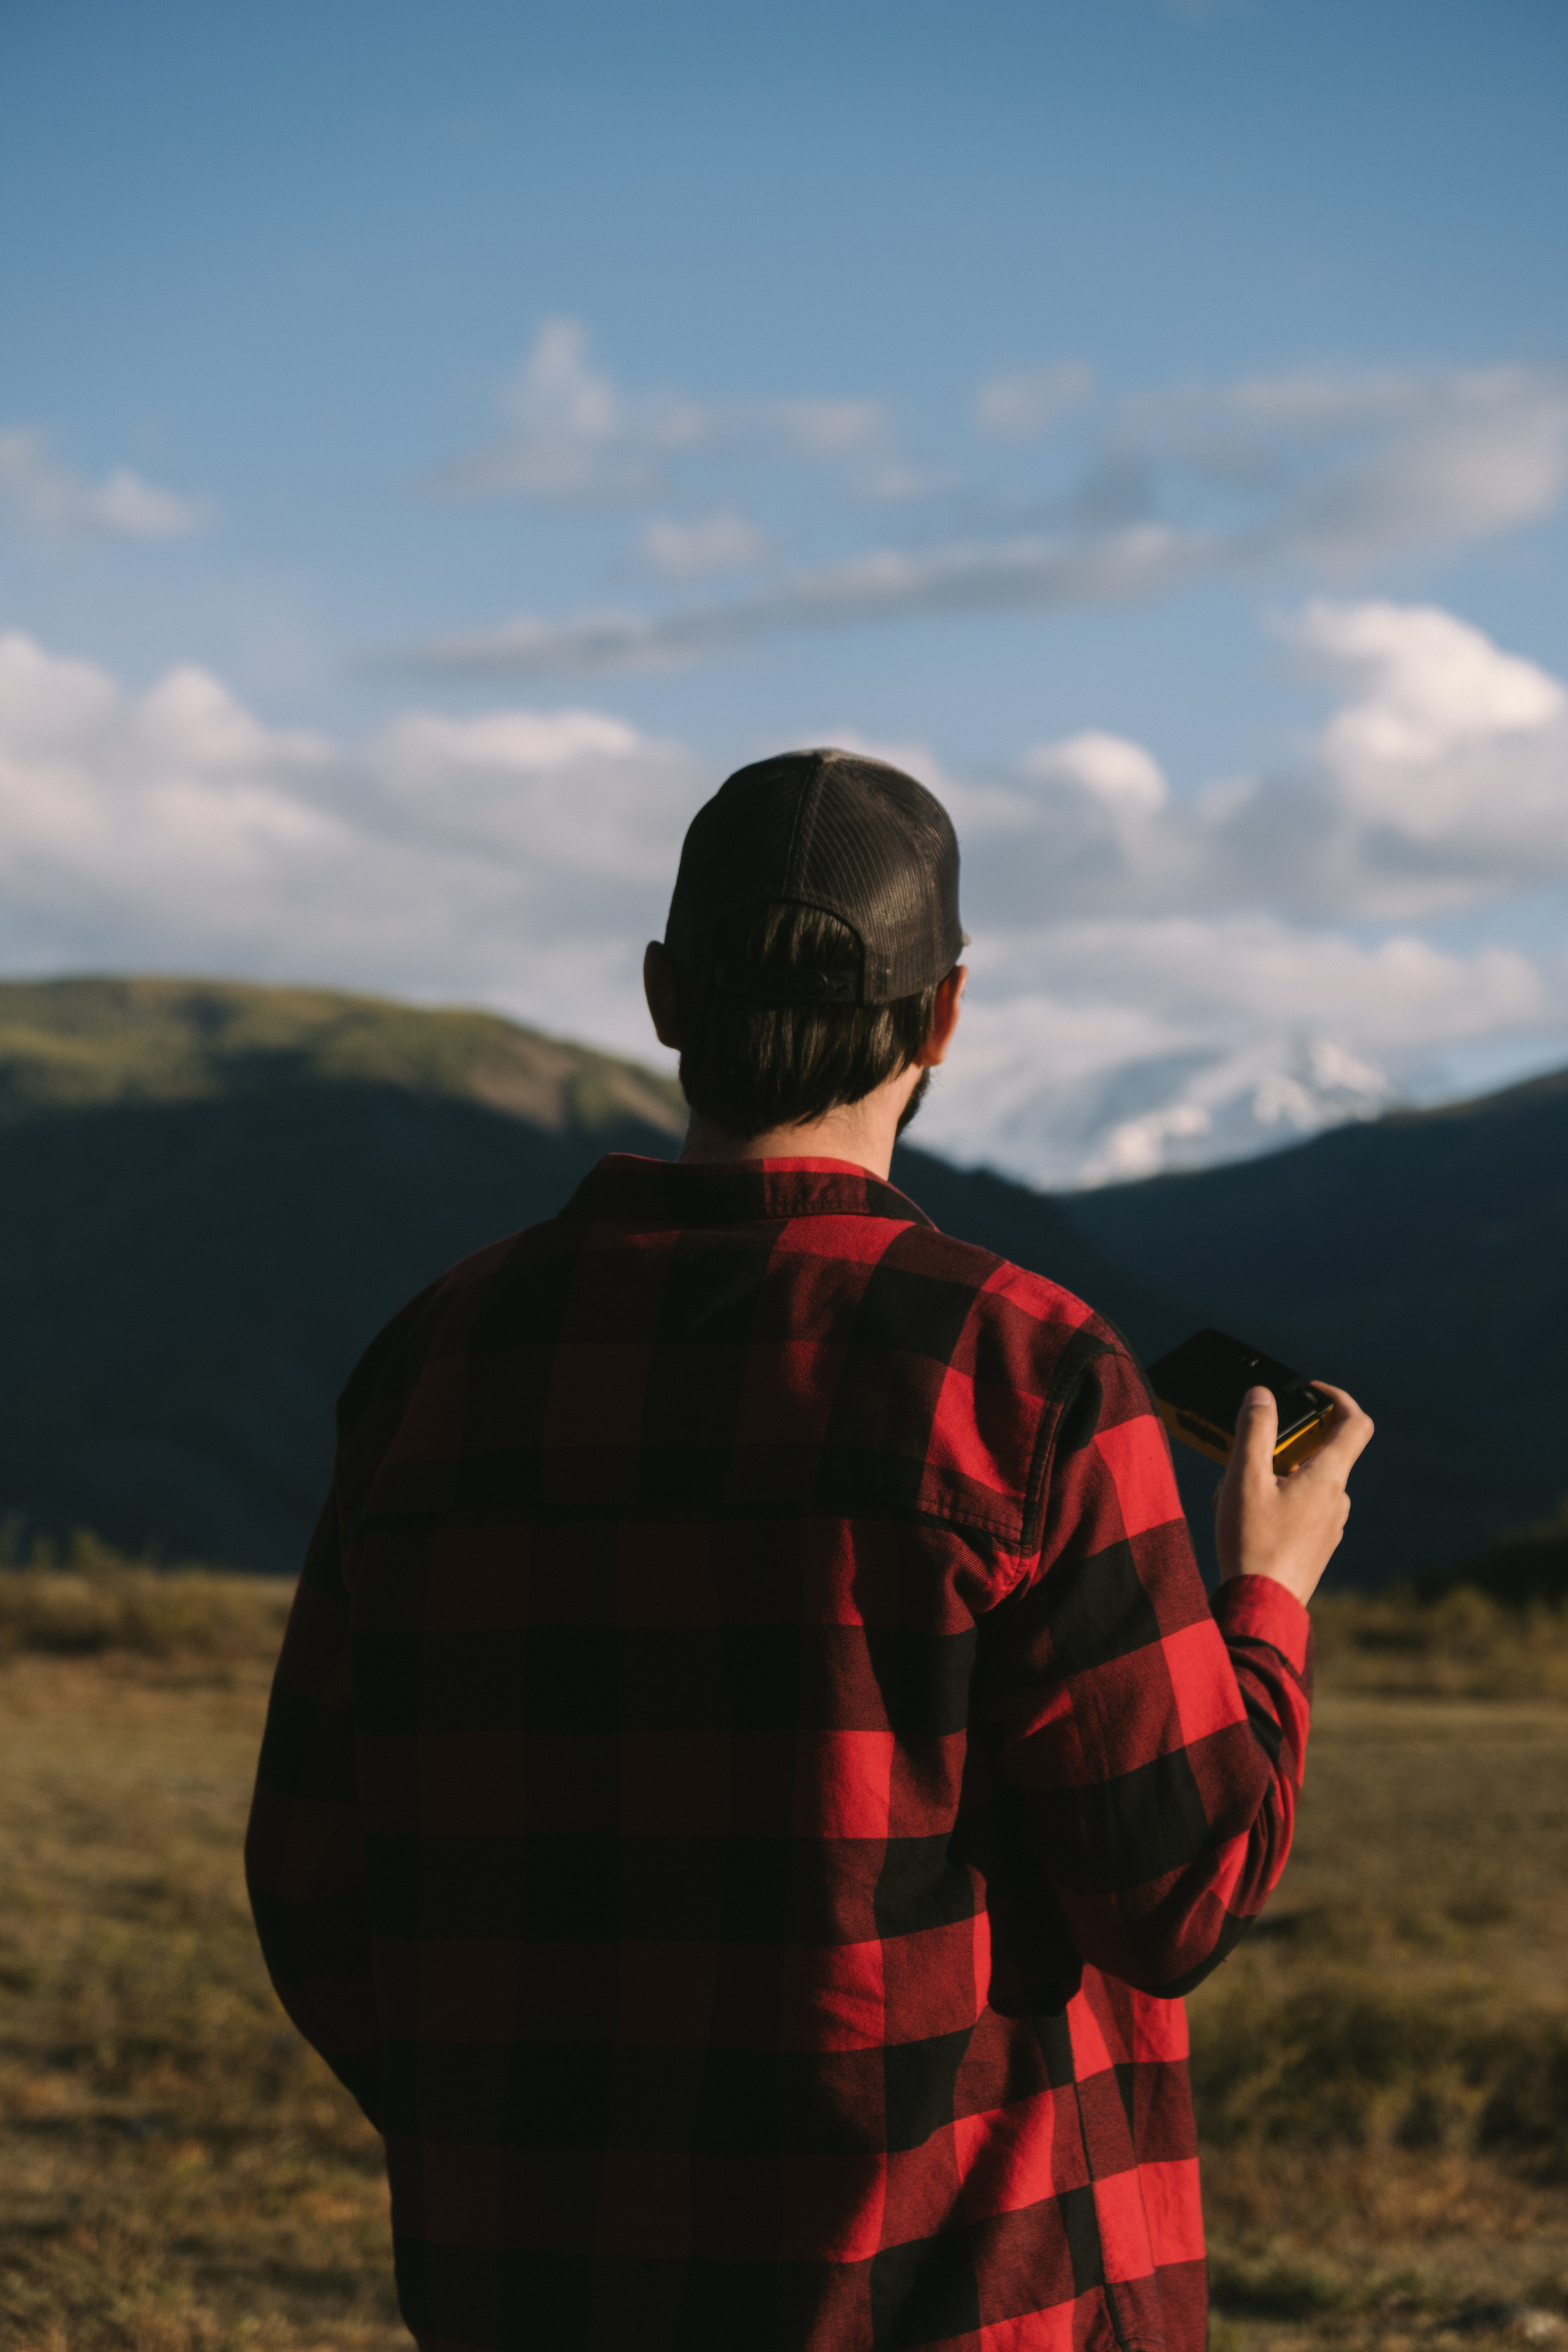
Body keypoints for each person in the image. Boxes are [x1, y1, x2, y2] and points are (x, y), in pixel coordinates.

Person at [247, 747, 1373, 2352]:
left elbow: (314, 1884)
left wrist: (526, 2145)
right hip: (955, 2303)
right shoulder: (1029, 1372)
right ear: (945, 1019)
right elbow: (1180, 1890)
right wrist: (1264, 1591)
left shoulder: (436, 1359)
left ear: (659, 997)